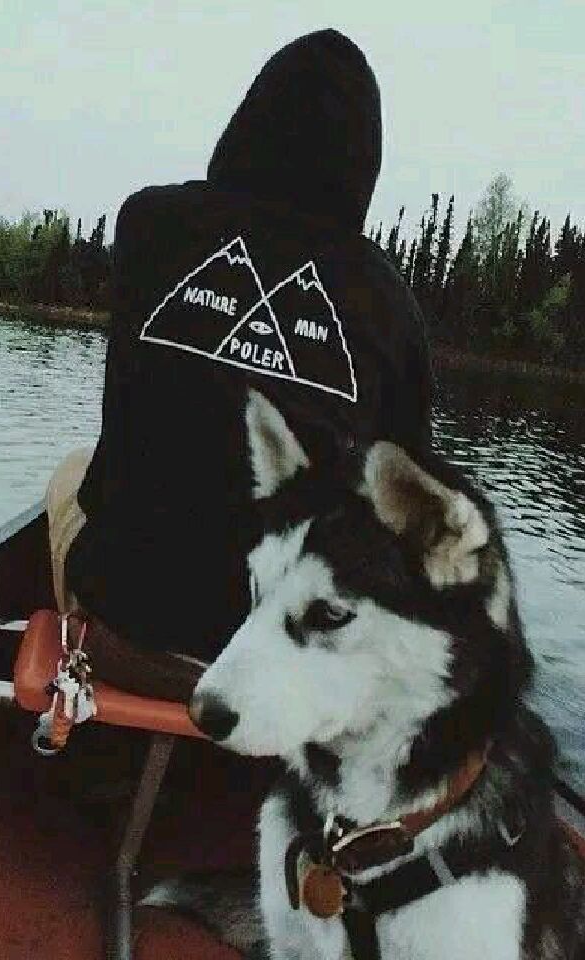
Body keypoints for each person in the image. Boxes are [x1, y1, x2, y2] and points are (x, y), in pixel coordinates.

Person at [46, 28, 432, 702]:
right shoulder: (390, 304)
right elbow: (407, 512)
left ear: (247, 123)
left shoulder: (148, 225)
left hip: (127, 638)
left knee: (71, 473)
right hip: (283, 677)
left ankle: (84, 657)